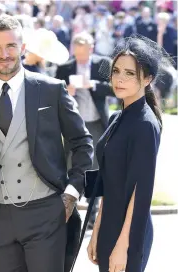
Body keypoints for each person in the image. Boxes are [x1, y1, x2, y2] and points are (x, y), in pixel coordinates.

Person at [0, 15, 93, 272]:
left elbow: (82, 143)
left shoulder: (51, 89)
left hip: (46, 213)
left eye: (11, 46)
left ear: (23, 48)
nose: (4, 54)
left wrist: (71, 194)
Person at [87, 37, 172, 272]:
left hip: (130, 233)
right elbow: (109, 180)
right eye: (116, 71)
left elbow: (140, 191)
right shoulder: (117, 118)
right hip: (110, 225)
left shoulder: (145, 124)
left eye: (130, 73)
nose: (120, 78)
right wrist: (97, 232)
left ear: (148, 79)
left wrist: (123, 245)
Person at [55, 32, 114, 230]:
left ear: (91, 49)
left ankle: (92, 213)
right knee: (72, 165)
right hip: (74, 125)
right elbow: (55, 92)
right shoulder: (65, 68)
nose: (80, 57)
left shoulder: (102, 64)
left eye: (83, 54)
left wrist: (94, 85)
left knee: (95, 167)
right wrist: (66, 91)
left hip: (97, 122)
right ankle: (70, 210)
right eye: (77, 54)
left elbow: (116, 88)